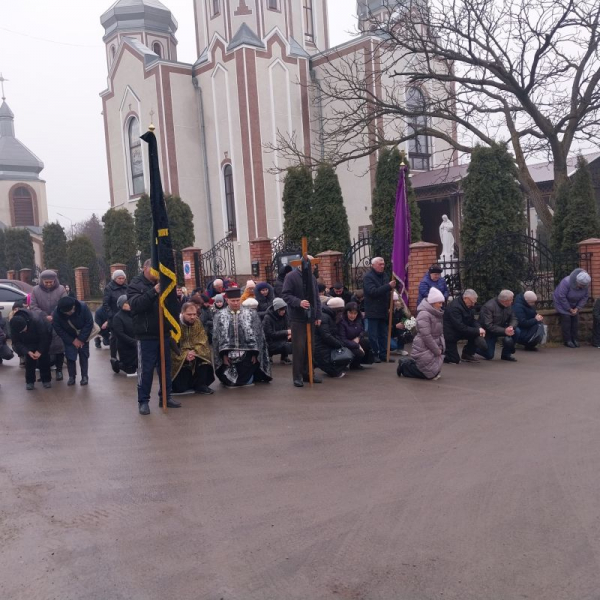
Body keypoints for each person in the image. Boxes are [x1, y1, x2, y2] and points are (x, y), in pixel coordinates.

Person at [127, 259, 182, 415]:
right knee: (146, 370)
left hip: (163, 333)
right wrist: (154, 291)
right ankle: (143, 401)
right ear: (145, 268)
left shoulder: (165, 282)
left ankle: (165, 397)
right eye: (154, 269)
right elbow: (135, 306)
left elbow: (171, 308)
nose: (157, 273)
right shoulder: (135, 284)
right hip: (146, 335)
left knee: (165, 367)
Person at [212, 287, 272, 387]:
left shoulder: (251, 314)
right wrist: (223, 355)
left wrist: (255, 353)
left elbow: (258, 335)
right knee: (229, 380)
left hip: (247, 355)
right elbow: (217, 338)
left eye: (237, 300)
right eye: (232, 301)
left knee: (246, 379)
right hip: (228, 355)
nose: (236, 303)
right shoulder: (219, 316)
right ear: (227, 300)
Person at [282, 258, 323, 387]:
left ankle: (308, 373)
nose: (314, 268)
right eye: (312, 265)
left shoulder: (312, 278)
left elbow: (317, 298)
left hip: (311, 318)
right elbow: (286, 295)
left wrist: (318, 315)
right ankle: (297, 376)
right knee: (299, 348)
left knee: (310, 348)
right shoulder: (291, 277)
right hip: (297, 318)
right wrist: (298, 302)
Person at [397, 288, 445, 380]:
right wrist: (436, 350)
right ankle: (404, 366)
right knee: (428, 374)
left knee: (432, 371)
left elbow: (439, 332)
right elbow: (426, 336)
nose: (441, 305)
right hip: (423, 347)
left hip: (431, 346)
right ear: (433, 302)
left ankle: (412, 365)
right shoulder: (424, 314)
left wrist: (441, 346)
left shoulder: (436, 313)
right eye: (439, 303)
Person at [30, 269, 67, 381]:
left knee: (59, 347)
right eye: (46, 282)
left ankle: (59, 370)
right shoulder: (35, 290)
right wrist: (44, 316)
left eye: (51, 282)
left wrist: (53, 315)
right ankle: (44, 373)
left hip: (58, 321)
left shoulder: (61, 289)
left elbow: (64, 303)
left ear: (55, 280)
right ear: (42, 281)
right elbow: (33, 306)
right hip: (42, 322)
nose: (49, 284)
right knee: (43, 347)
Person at [171, 302, 215, 394]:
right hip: (180, 356)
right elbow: (172, 344)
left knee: (204, 359)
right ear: (182, 313)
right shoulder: (174, 323)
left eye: (194, 314)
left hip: (195, 353)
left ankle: (201, 385)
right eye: (189, 314)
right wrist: (185, 354)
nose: (192, 317)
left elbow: (203, 340)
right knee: (180, 388)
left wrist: (194, 352)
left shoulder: (197, 322)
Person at [52, 296, 94, 386]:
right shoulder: (57, 313)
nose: (69, 313)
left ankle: (84, 376)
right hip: (69, 337)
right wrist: (72, 340)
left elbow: (89, 322)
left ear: (74, 306)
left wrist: (81, 339)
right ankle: (72, 377)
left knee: (84, 355)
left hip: (83, 335)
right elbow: (58, 329)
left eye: (70, 311)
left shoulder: (83, 307)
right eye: (66, 312)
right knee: (70, 357)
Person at [363, 257, 396, 363]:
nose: (382, 266)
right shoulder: (368, 277)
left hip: (383, 310)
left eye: (383, 264)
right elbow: (373, 292)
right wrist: (388, 286)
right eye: (379, 264)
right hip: (373, 310)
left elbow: (386, 291)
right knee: (373, 335)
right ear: (373, 265)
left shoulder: (385, 275)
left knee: (384, 334)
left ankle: (383, 354)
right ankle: (374, 353)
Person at [11, 309, 52, 390]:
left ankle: (46, 380)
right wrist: (27, 351)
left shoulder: (36, 320)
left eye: (25, 328)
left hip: (40, 339)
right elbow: (16, 342)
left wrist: (39, 351)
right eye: (22, 331)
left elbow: (45, 337)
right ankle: (30, 381)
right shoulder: (13, 325)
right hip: (27, 344)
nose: (24, 331)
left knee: (44, 360)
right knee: (29, 362)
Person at [443, 289, 487, 364]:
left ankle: (467, 353)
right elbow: (460, 327)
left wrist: (479, 328)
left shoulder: (468, 305)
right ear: (465, 298)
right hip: (451, 333)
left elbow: (472, 320)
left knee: (475, 333)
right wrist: (477, 331)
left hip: (461, 330)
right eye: (472, 302)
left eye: (474, 302)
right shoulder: (454, 308)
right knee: (454, 360)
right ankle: (442, 355)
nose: (473, 304)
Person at [553, 268, 591, 348]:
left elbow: (585, 297)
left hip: (575, 305)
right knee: (566, 319)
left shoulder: (586, 285)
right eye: (581, 285)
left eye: (583, 286)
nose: (582, 287)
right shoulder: (566, 282)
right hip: (561, 303)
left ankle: (575, 339)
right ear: (577, 281)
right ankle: (567, 340)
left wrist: (577, 308)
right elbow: (561, 296)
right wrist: (569, 309)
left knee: (575, 320)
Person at [477, 290, 518, 361]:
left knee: (516, 331)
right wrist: (504, 331)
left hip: (501, 328)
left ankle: (506, 354)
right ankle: (473, 348)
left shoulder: (508, 306)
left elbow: (514, 318)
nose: (512, 301)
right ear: (505, 301)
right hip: (489, 332)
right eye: (511, 300)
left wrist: (511, 327)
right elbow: (488, 325)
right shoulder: (489, 307)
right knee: (489, 355)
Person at [315, 297, 351, 378]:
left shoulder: (329, 315)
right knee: (333, 369)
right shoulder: (325, 317)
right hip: (321, 345)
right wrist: (338, 343)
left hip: (324, 344)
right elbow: (326, 335)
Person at [102, 269, 128, 370]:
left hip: (126, 315)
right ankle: (113, 357)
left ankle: (125, 358)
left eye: (123, 278)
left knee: (125, 337)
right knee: (115, 338)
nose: (121, 280)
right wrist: (111, 315)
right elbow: (106, 303)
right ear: (115, 278)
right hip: (115, 316)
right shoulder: (109, 288)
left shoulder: (127, 287)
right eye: (119, 278)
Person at [338, 301, 373, 369]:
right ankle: (344, 364)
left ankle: (356, 364)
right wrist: (357, 345)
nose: (353, 316)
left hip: (355, 340)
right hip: (344, 344)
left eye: (355, 313)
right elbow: (343, 340)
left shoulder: (358, 320)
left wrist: (358, 337)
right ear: (346, 312)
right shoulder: (341, 322)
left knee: (366, 343)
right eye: (350, 313)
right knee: (359, 352)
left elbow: (362, 331)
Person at [111, 295, 138, 374]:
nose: (129, 304)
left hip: (136, 343)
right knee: (130, 370)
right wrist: (133, 342)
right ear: (121, 304)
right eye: (126, 302)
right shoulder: (117, 317)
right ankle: (116, 364)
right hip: (125, 346)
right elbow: (120, 334)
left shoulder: (135, 314)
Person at [262, 297, 293, 364]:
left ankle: (284, 357)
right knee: (287, 345)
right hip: (270, 342)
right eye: (281, 310)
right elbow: (270, 334)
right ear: (276, 309)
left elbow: (288, 326)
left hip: (282, 339)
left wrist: (289, 333)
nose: (283, 311)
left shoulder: (285, 316)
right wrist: (286, 332)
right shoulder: (268, 318)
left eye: (284, 309)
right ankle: (269, 355)